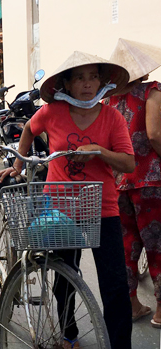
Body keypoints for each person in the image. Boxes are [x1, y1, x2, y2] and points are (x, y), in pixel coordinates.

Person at [0, 51, 133, 349]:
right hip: (59, 208)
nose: (87, 84)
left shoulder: (112, 117)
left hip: (102, 207)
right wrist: (17, 165)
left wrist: (99, 150)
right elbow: (30, 129)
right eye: (80, 78)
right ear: (66, 85)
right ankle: (68, 334)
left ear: (102, 82)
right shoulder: (52, 112)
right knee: (65, 277)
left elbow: (128, 163)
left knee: (116, 286)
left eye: (93, 76)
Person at [106, 38, 161, 328]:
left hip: (118, 181)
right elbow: (154, 134)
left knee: (127, 245)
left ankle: (132, 304)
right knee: (158, 245)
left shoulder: (108, 100)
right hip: (151, 181)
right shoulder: (153, 92)